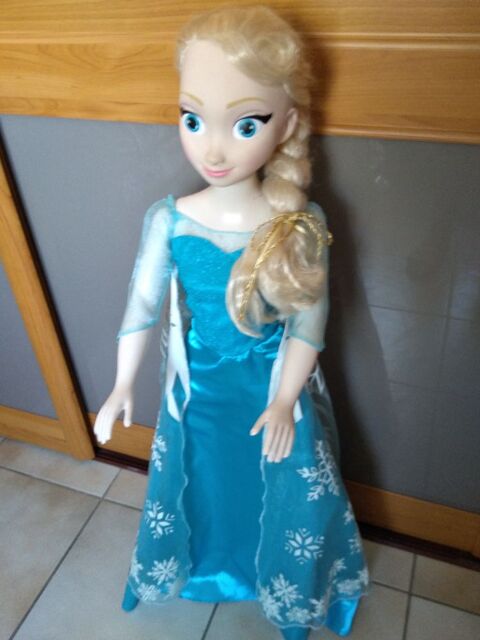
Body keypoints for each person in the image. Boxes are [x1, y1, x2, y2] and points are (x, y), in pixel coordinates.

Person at [93, 5, 370, 639]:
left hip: (274, 386)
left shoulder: (300, 224)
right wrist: (122, 383)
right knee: (206, 486)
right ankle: (209, 571)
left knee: (284, 490)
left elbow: (309, 327)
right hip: (199, 390)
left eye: (246, 124)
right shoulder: (170, 218)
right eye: (192, 119)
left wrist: (285, 401)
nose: (212, 149)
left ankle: (287, 594)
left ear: (287, 124)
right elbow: (140, 308)